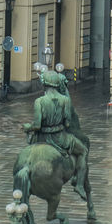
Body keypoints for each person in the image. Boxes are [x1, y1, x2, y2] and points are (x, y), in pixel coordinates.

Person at [24, 69, 91, 203]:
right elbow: (67, 123)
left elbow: (36, 125)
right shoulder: (65, 100)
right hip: (60, 138)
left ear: (44, 84)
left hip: (42, 138)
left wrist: (28, 127)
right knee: (83, 150)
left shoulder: (39, 101)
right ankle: (79, 184)